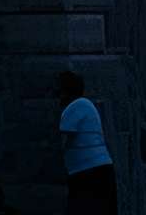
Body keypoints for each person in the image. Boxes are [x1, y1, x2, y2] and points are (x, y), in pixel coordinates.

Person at [58, 69, 117, 210]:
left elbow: (65, 138)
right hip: (95, 170)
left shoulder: (75, 107)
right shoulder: (86, 106)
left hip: (87, 172)